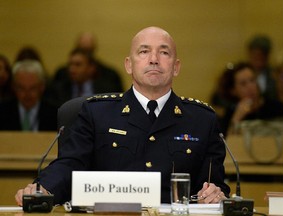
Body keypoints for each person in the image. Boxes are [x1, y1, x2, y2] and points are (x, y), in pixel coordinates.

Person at [15, 27, 230, 205]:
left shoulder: (202, 120)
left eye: (164, 52)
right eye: (144, 52)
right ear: (129, 64)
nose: (154, 59)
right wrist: (42, 189)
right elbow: (70, 165)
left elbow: (214, 185)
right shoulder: (96, 113)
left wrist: (215, 194)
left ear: (176, 67)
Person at [217, 62, 283, 135]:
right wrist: (237, 118)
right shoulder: (231, 113)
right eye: (243, 84)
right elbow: (226, 143)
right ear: (233, 91)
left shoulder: (276, 107)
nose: (250, 87)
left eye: (252, 80)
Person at [46, 48, 123, 107]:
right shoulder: (58, 91)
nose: (72, 69)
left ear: (91, 68)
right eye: (70, 64)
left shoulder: (107, 91)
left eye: (78, 65)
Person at [0, 60, 57, 131]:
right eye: (21, 88)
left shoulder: (55, 114)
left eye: (32, 88)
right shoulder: (2, 112)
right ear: (14, 87)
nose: (27, 94)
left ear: (42, 87)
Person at [247, 35, 276, 100]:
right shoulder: (243, 74)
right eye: (256, 54)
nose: (259, 58)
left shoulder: (274, 74)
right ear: (250, 54)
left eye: (262, 55)